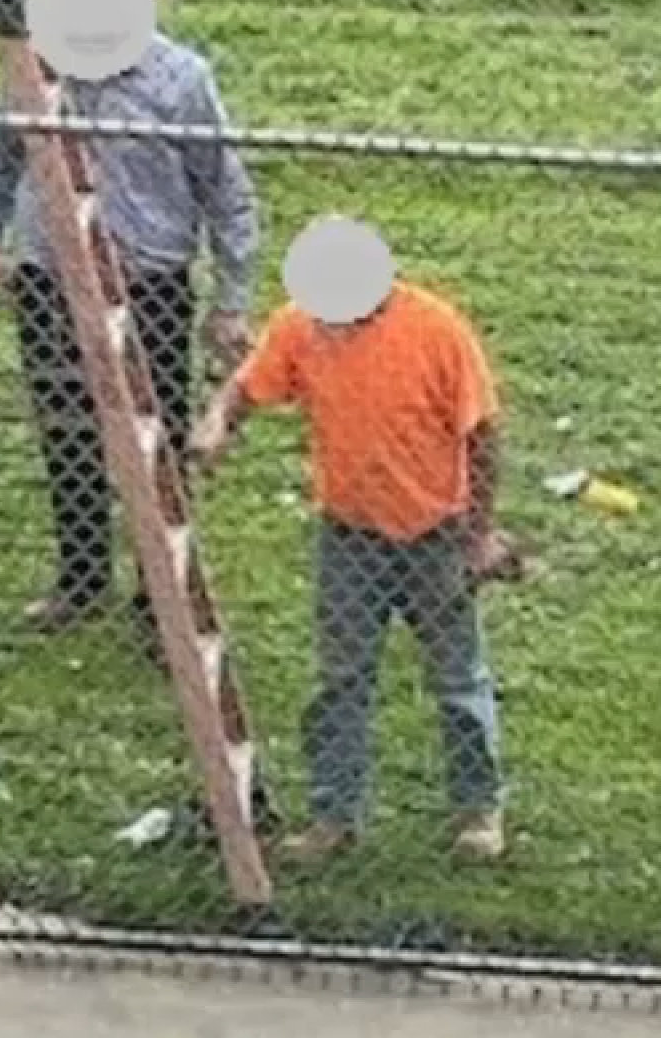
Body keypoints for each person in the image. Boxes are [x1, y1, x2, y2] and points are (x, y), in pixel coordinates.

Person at [187, 217, 513, 861]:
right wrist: (217, 423)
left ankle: (479, 812)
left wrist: (476, 538)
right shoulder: (300, 327)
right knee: (340, 680)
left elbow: (483, 437)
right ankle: (335, 817)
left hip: (436, 534)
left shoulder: (437, 329)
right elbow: (246, 386)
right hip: (350, 535)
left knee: (457, 680)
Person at [0, 28, 262, 643]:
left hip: (148, 285)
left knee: (156, 442)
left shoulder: (180, 78)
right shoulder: (36, 67)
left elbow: (225, 190)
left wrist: (231, 301)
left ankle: (160, 602)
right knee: (66, 427)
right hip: (51, 281)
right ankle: (81, 580)